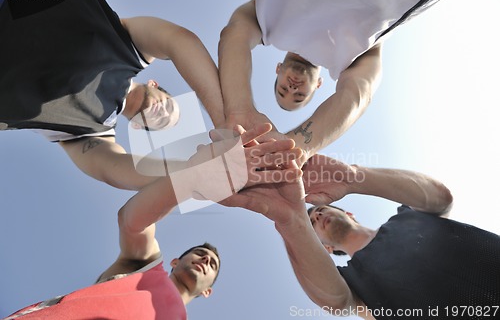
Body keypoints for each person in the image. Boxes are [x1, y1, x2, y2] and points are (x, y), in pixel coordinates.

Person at [3, 124, 303, 320]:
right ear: (173, 261)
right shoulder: (147, 268)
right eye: (201, 254)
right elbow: (132, 221)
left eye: (212, 264)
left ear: (208, 291)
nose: (205, 260)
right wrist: (195, 178)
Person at [0, 0, 226, 191]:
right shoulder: (134, 50)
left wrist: (195, 172)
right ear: (154, 84)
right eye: (169, 105)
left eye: (162, 123)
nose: (163, 113)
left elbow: (115, 169)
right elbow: (178, 41)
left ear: (138, 126)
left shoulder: (90, 134)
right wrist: (225, 121)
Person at [223, 154, 500, 319]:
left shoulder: (407, 216)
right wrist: (291, 219)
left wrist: (354, 177)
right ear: (326, 249)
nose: (317, 216)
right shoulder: (353, 285)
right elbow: (336, 301)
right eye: (313, 223)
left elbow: (442, 198)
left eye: (319, 210)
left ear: (351, 214)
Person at [218, 0, 452, 165]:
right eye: (299, 95)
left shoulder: (265, 22)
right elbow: (357, 94)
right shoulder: (350, 58)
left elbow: (235, 35)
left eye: (283, 90)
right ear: (318, 85)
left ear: (278, 69)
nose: (292, 88)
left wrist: (240, 109)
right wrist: (293, 149)